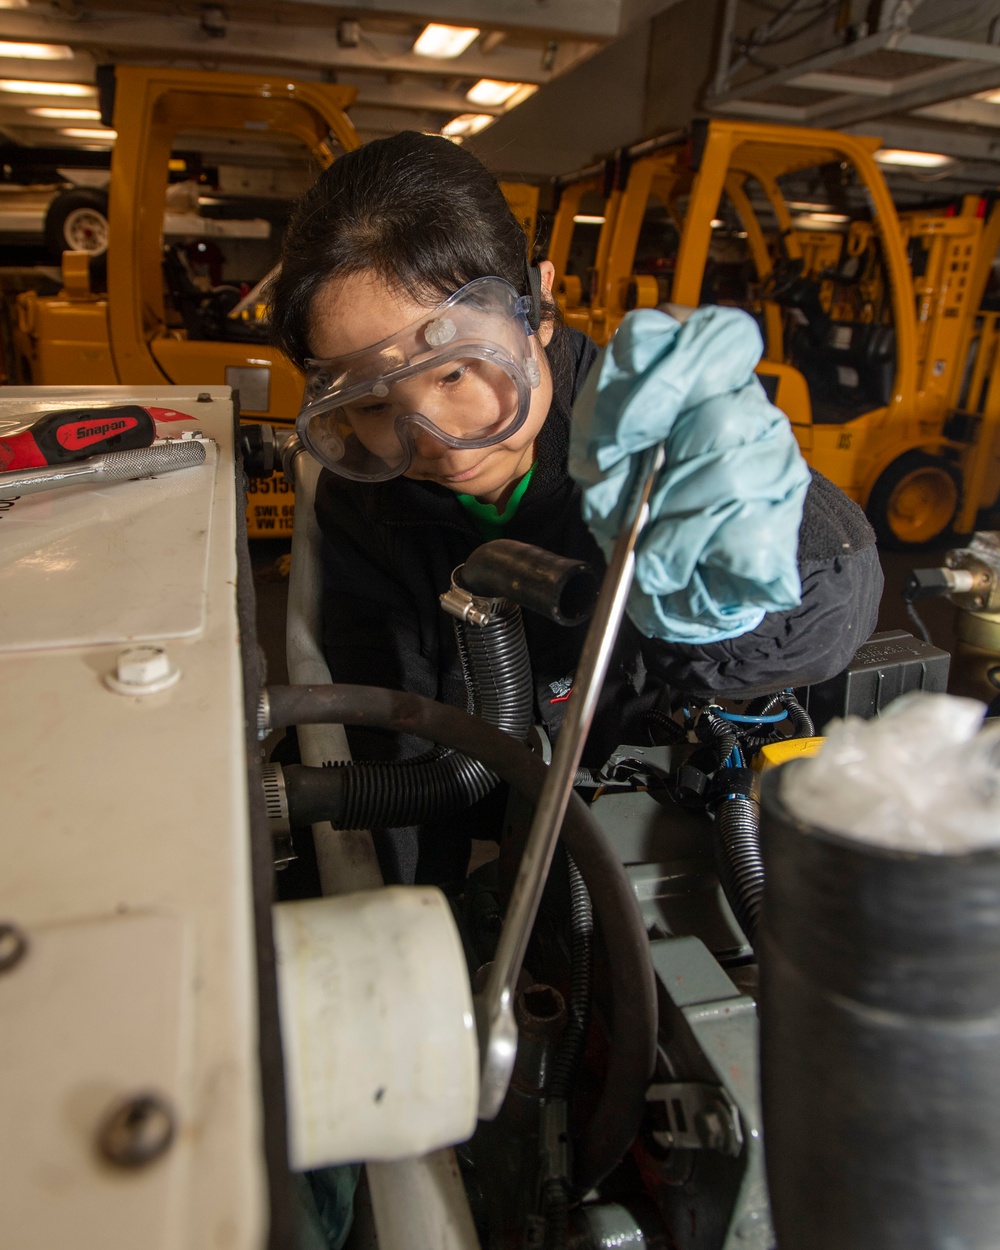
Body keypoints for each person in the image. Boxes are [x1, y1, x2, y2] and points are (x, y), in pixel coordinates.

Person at [268, 131, 883, 886]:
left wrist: (734, 609)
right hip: (497, 807)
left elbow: (832, 609)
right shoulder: (366, 503)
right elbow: (396, 754)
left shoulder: (650, 430)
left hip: (646, 802)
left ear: (538, 304)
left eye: (458, 371)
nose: (445, 447)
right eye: (370, 402)